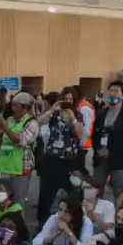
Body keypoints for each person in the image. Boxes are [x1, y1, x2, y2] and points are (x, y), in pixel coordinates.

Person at [34, 93, 86, 224]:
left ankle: (74, 221)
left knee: (73, 192)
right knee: (46, 193)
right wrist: (52, 110)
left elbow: (80, 135)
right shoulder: (54, 114)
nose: (67, 102)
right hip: (52, 158)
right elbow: (37, 123)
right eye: (65, 99)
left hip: (69, 160)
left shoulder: (77, 115)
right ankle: (42, 223)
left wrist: (72, 118)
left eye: (70, 99)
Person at [94, 81, 123, 198]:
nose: (112, 94)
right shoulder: (101, 113)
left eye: (116, 91)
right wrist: (98, 149)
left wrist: (111, 151)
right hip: (101, 158)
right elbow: (94, 135)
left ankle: (119, 215)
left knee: (119, 191)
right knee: (96, 189)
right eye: (110, 91)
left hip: (119, 160)